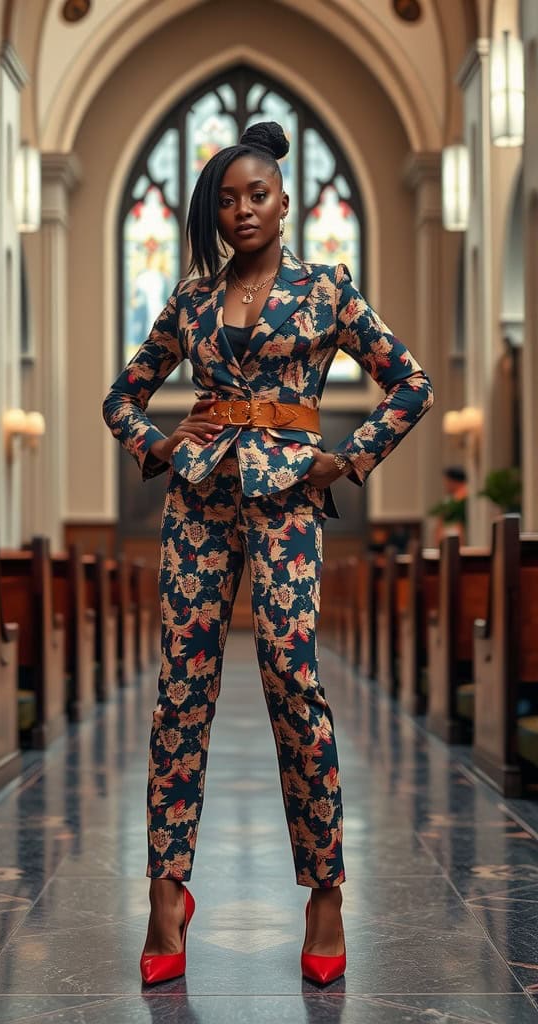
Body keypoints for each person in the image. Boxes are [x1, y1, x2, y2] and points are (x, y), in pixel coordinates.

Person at [103, 121, 434, 987]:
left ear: (285, 203)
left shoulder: (327, 290)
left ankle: (325, 888)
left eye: (258, 194)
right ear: (215, 211)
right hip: (200, 502)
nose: (243, 207)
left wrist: (351, 457)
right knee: (183, 684)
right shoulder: (188, 300)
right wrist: (161, 445)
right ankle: (167, 889)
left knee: (292, 674)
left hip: (289, 500)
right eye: (228, 197)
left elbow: (412, 382)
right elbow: (120, 397)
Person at [430, 466, 468, 545]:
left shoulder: (463, 498)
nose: (445, 484)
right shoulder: (451, 499)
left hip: (456, 541)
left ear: (453, 481)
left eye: (446, 481)